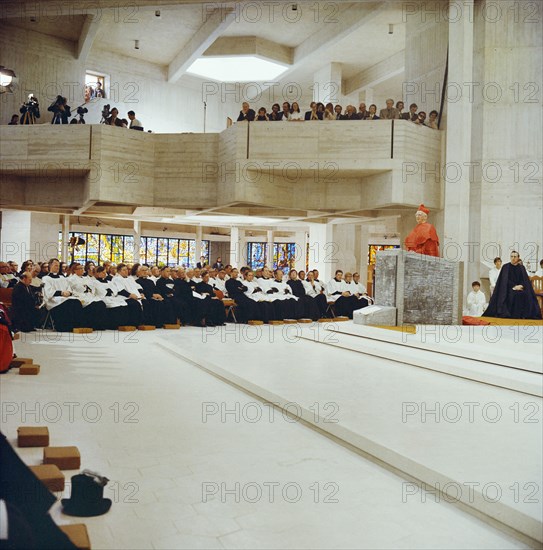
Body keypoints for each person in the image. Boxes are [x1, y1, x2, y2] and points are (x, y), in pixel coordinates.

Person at [483, 251, 542, 319]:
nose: (513, 258)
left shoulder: (521, 267)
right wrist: (514, 286)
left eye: (515, 256)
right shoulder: (506, 267)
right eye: (512, 256)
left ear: (518, 258)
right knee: (514, 295)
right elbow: (504, 281)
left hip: (520, 288)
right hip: (508, 288)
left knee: (525, 295)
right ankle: (511, 315)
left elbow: (525, 280)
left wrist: (521, 286)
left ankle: (523, 315)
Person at [42, 258, 84, 331]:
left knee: (76, 302)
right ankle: (64, 327)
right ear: (50, 266)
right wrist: (61, 293)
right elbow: (48, 291)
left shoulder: (62, 278)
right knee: (69, 303)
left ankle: (76, 326)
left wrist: (69, 292)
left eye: (58, 266)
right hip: (54, 300)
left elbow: (68, 287)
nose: (58, 267)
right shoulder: (46, 278)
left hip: (65, 298)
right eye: (55, 265)